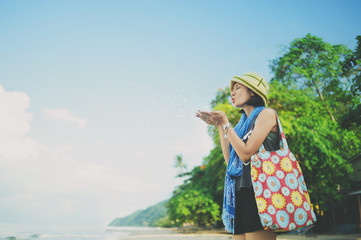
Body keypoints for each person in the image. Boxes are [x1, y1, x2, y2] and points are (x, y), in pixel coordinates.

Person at [196, 72, 279, 240]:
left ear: (253, 91)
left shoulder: (267, 114)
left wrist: (226, 124)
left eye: (238, 88)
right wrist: (220, 125)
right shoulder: (241, 126)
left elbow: (246, 153)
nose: (232, 93)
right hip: (240, 193)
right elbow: (230, 162)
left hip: (260, 193)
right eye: (232, 90)